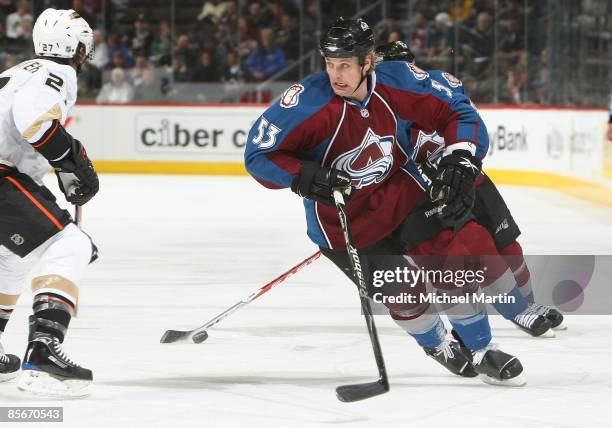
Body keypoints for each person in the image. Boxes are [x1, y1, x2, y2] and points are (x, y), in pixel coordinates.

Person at [245, 17, 525, 386]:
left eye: (345, 65)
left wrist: (460, 155)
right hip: (342, 223)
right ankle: (438, 344)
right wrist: (302, 175)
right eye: (330, 64)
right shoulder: (307, 102)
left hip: (402, 193)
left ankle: (482, 349)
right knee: (403, 291)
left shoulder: (398, 83)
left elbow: (457, 109)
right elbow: (259, 154)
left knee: (449, 261)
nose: (336, 75)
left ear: (367, 63)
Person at [375, 40, 564, 331]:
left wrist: (461, 158)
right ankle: (516, 309)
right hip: (435, 189)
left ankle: (528, 305)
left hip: (468, 175)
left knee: (507, 242)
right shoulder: (377, 107)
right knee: (479, 245)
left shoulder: (437, 84)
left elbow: (468, 120)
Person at [0, 8, 99, 397]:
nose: (84, 54)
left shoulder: (20, 70)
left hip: (9, 174)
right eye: (83, 46)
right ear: (75, 46)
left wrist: (61, 166)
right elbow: (34, 121)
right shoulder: (56, 73)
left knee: (11, 258)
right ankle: (42, 354)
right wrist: (69, 160)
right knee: (71, 243)